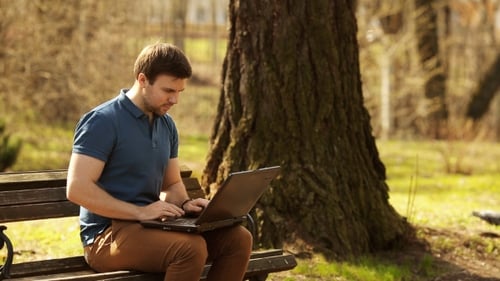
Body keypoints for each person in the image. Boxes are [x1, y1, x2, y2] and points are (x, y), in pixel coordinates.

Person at [66, 43, 252, 281]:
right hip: (106, 236)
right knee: (189, 249)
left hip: (153, 227)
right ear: (142, 80)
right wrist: (139, 212)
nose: (174, 100)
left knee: (238, 239)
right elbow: (77, 188)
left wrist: (185, 204)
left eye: (179, 92)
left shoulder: (166, 125)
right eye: (168, 91)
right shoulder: (102, 121)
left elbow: (172, 184)